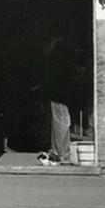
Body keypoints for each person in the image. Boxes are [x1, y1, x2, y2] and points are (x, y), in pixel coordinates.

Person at [38, 37, 75, 166]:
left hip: (57, 95)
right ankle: (62, 153)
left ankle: (56, 151)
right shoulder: (60, 60)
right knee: (63, 122)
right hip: (60, 95)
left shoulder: (54, 59)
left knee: (59, 121)